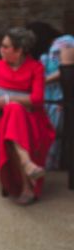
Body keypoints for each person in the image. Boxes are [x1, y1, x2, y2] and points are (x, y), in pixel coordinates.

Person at [0, 27, 55, 205]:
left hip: (32, 118)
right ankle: (27, 166)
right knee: (13, 111)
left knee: (14, 109)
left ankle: (26, 182)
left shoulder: (36, 68)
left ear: (19, 50)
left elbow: (37, 99)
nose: (1, 49)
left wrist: (8, 99)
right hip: (1, 117)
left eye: (6, 46)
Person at [42, 34, 74, 169]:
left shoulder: (66, 43)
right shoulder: (45, 57)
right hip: (51, 98)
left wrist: (43, 81)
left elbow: (65, 71)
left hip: (60, 97)